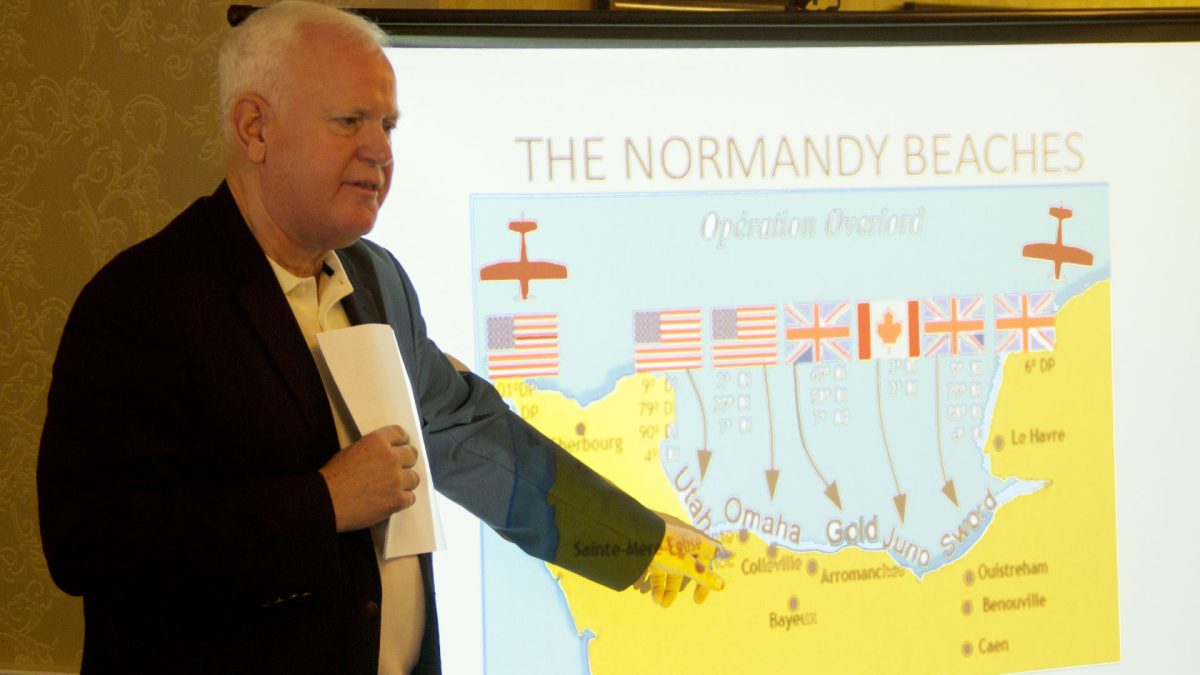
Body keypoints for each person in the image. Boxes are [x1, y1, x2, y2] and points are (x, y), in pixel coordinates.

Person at [36, 2, 724, 673]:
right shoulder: (144, 301)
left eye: (388, 125)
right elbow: (90, 541)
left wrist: (630, 539)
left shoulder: (376, 276)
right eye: (350, 121)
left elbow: (462, 432)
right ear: (255, 128)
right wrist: (323, 502)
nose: (381, 151)